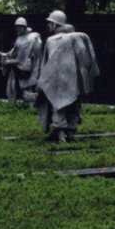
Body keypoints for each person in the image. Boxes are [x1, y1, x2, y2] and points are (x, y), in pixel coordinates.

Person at [34, 10, 100, 143]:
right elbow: (87, 60)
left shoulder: (52, 40)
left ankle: (60, 133)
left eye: (50, 23)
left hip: (57, 80)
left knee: (58, 105)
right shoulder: (79, 37)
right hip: (74, 80)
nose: (48, 26)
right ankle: (70, 131)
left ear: (55, 24)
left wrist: (41, 80)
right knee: (73, 105)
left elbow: (46, 63)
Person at [2, 17, 43, 103]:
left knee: (28, 87)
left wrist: (7, 62)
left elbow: (21, 58)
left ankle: (31, 104)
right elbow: (15, 50)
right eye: (17, 27)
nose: (18, 29)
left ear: (24, 27)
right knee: (13, 84)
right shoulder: (20, 38)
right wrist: (8, 54)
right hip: (19, 67)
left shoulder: (32, 38)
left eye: (20, 27)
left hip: (29, 67)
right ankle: (13, 103)